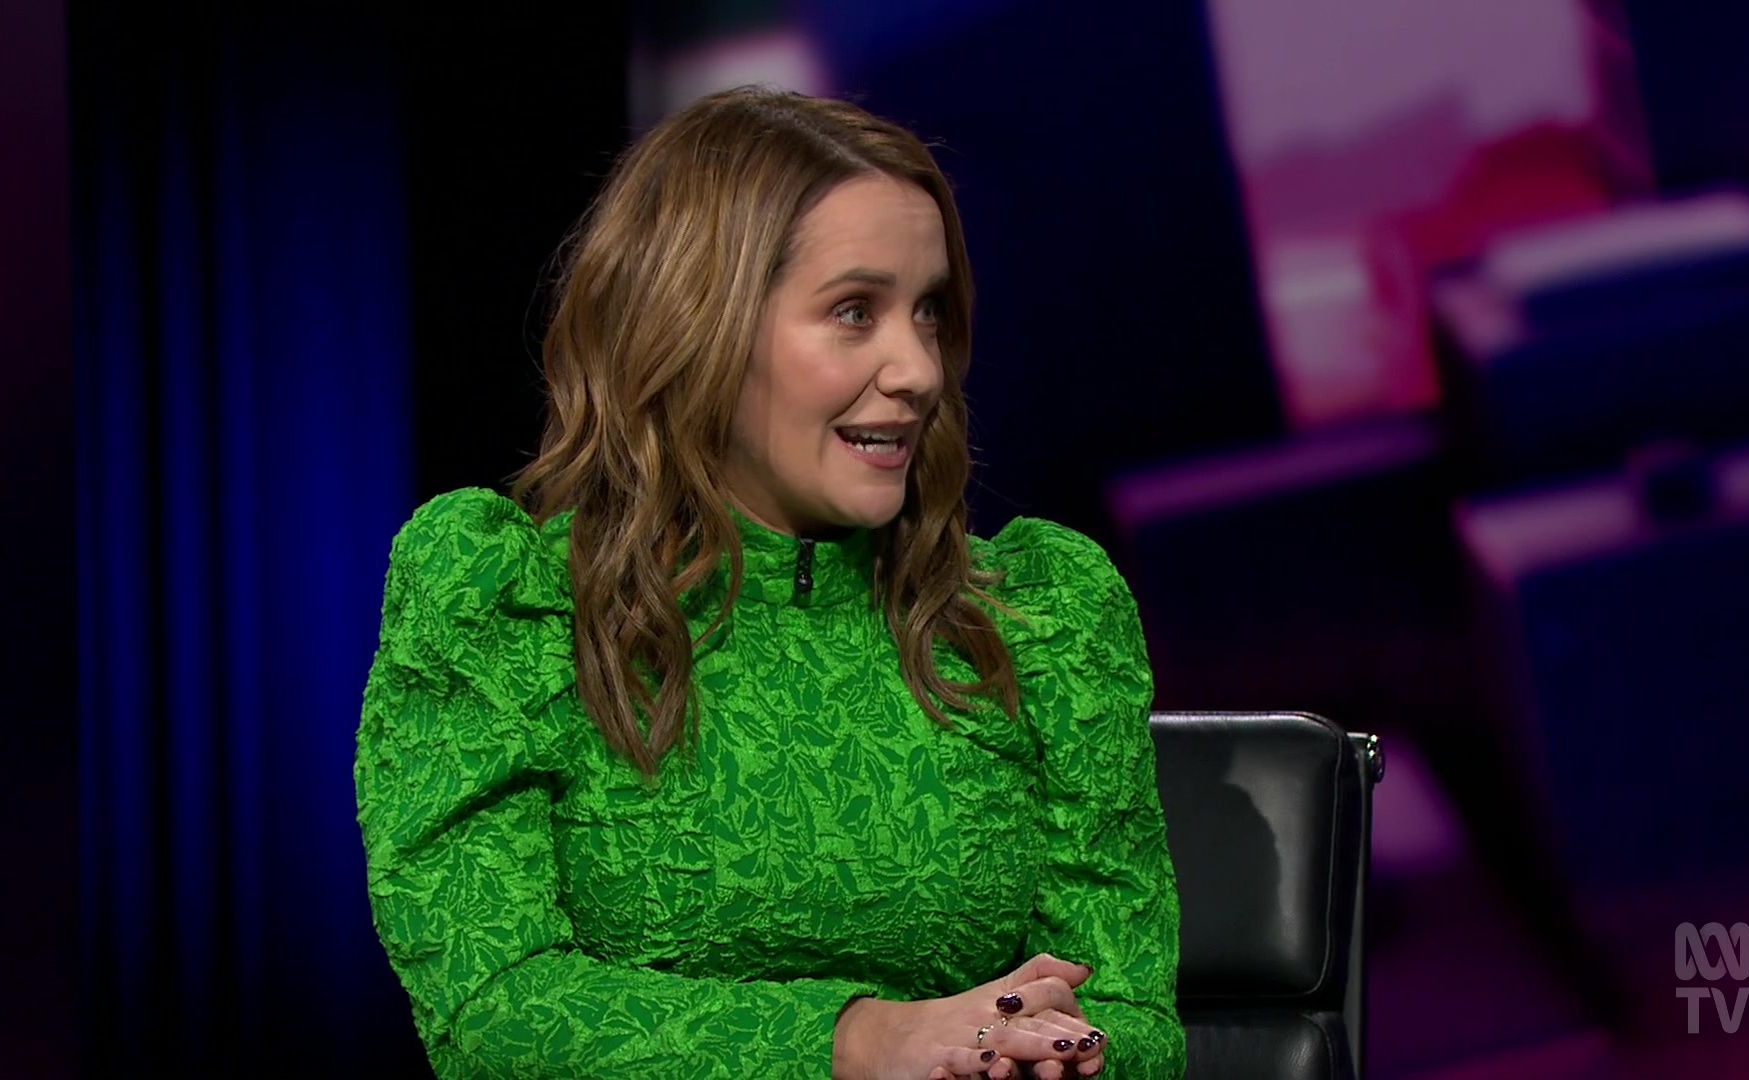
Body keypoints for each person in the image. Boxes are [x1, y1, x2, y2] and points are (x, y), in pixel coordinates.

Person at [356, 85, 1184, 1078]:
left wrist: (1048, 1054)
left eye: (927, 311)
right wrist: (859, 1041)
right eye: (854, 311)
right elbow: (493, 1009)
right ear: (699, 328)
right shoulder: (508, 604)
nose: (919, 369)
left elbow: (1135, 1015)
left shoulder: (1042, 617)